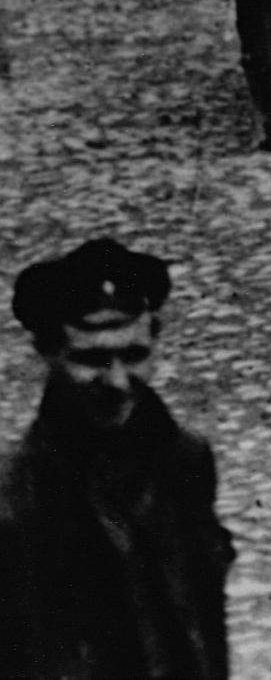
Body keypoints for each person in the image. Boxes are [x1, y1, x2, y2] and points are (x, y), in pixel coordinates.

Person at [0, 238, 233, 680]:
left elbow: (203, 622)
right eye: (91, 359)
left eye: (134, 355)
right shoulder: (13, 500)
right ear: (46, 353)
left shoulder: (187, 460)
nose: (118, 382)